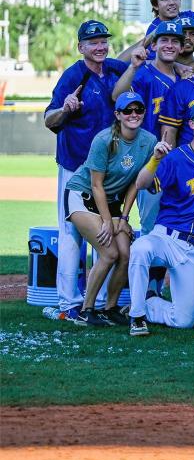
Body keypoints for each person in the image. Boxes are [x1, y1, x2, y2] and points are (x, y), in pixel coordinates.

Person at [43, 20, 128, 322]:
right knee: (71, 235)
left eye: (103, 40)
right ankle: (69, 303)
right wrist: (65, 109)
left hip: (105, 172)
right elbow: (49, 119)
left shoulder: (113, 69)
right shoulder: (73, 75)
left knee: (104, 234)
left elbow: (134, 56)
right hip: (75, 166)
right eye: (93, 42)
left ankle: (101, 300)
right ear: (81, 47)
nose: (100, 46)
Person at [54, 93, 157, 326]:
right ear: (117, 115)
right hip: (83, 195)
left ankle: (110, 309)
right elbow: (96, 185)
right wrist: (108, 221)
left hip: (110, 203)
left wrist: (123, 217)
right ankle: (85, 310)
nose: (133, 115)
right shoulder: (104, 140)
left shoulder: (149, 141)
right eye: (127, 111)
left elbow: (135, 183)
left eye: (138, 110)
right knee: (110, 252)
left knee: (125, 253)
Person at [126, 98, 194, 336]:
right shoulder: (177, 157)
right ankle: (137, 315)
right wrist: (155, 159)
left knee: (183, 321)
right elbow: (141, 183)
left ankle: (149, 302)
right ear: (192, 124)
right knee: (140, 247)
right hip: (167, 238)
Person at [112, 21, 184, 239]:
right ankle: (148, 274)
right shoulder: (144, 74)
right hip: (151, 160)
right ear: (154, 46)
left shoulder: (186, 78)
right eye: (164, 40)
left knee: (176, 226)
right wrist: (133, 66)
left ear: (182, 47)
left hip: (181, 161)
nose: (169, 45)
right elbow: (117, 97)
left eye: (175, 41)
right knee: (151, 226)